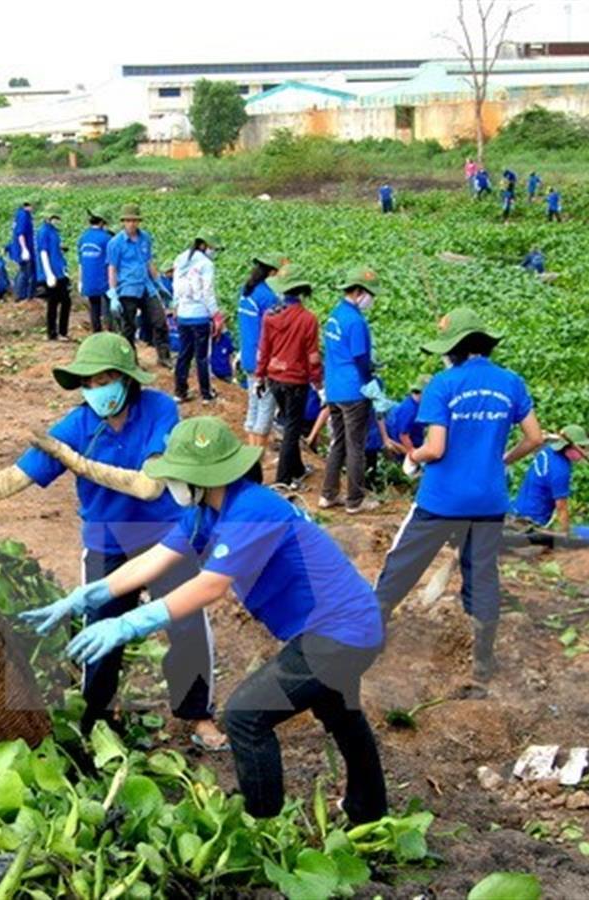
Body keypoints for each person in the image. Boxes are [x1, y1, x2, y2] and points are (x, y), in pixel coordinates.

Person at [49, 416, 388, 824]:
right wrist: (92, 594)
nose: (168, 484)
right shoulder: (206, 513)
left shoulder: (252, 510)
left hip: (341, 633)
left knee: (246, 716)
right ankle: (368, 809)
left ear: (202, 476)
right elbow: (156, 559)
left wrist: (130, 623)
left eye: (175, 475)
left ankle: (260, 821)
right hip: (334, 628)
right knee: (340, 712)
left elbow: (210, 587)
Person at [0, 333, 224, 749]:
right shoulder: (75, 426)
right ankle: (96, 722)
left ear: (126, 380)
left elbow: (149, 487)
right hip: (106, 540)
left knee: (188, 622)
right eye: (87, 383)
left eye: (103, 380)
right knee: (100, 628)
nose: (95, 391)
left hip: (166, 536)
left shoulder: (160, 409)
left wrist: (73, 461)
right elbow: (11, 479)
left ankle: (198, 717)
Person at [373, 307, 541, 680]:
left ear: (454, 350)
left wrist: (413, 457)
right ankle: (482, 662)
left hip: (442, 499)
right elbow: (535, 437)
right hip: (489, 499)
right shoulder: (511, 382)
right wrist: (503, 460)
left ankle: (372, 635)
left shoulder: (442, 385)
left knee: (403, 563)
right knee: (482, 574)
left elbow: (435, 448)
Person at [320, 266, 391, 515]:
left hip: (334, 388)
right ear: (359, 291)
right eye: (371, 294)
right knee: (356, 446)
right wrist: (370, 378)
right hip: (353, 390)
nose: (372, 299)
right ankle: (355, 499)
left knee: (337, 442)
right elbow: (360, 356)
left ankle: (328, 494)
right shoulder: (356, 321)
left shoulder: (335, 315)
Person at [255, 267, 323, 490]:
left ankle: (298, 469)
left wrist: (259, 376)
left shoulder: (270, 316)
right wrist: (318, 383)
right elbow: (312, 356)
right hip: (296, 380)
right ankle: (283, 479)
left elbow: (264, 348)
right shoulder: (308, 319)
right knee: (292, 428)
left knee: (287, 421)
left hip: (275, 377)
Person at [107, 203, 170, 367]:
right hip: (127, 288)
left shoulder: (145, 238)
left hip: (146, 285)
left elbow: (149, 262)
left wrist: (158, 284)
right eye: (128, 221)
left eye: (134, 220)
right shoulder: (115, 243)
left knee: (159, 320)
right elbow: (112, 268)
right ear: (123, 222)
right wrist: (113, 293)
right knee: (128, 327)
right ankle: (130, 361)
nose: (132, 224)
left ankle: (164, 356)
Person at [509, 425, 589, 533]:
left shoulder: (548, 451)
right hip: (533, 519)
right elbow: (561, 509)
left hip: (518, 508)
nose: (584, 452)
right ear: (568, 446)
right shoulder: (560, 471)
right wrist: (565, 535)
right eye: (581, 448)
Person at [172, 231, 223, 404]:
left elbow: (175, 287)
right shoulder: (206, 264)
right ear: (204, 245)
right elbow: (207, 292)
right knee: (202, 356)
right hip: (200, 315)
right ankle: (206, 394)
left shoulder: (180, 259)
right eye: (212, 248)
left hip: (183, 315)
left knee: (184, 354)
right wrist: (215, 314)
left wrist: (177, 306)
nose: (213, 251)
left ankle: (180, 391)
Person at [238, 253, 283, 448]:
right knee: (265, 407)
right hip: (263, 359)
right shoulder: (268, 297)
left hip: (248, 355)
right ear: (272, 272)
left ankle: (251, 450)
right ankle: (258, 456)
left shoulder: (246, 291)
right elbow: (273, 333)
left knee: (253, 404)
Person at [36, 204, 71, 339]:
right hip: (52, 272)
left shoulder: (53, 230)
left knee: (63, 302)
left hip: (59, 270)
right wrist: (49, 274)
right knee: (54, 303)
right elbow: (43, 253)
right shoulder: (44, 231)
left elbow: (53, 247)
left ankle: (60, 332)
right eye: (56, 217)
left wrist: (60, 248)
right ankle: (54, 332)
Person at [78, 209, 113, 332]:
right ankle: (110, 332)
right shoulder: (107, 239)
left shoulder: (83, 238)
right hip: (103, 280)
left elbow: (81, 262)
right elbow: (111, 263)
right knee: (108, 308)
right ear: (102, 222)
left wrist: (80, 280)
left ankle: (96, 333)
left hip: (88, 280)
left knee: (94, 308)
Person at [380, 380, 425, 458]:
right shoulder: (410, 410)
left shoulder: (415, 403)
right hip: (404, 444)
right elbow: (403, 436)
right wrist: (413, 453)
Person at [11, 200, 35, 302]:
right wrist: (24, 249)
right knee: (25, 271)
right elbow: (20, 234)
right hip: (23, 248)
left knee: (23, 270)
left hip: (22, 247)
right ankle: (20, 295)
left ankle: (20, 292)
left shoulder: (21, 214)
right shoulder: (23, 216)